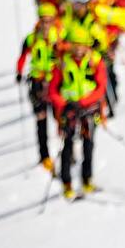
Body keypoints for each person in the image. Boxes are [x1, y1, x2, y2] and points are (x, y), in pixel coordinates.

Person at [48, 27, 108, 199]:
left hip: (88, 110)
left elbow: (101, 88)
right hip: (69, 112)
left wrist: (82, 102)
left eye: (82, 45)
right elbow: (53, 90)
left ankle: (87, 179)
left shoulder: (95, 62)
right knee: (67, 146)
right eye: (76, 45)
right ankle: (66, 182)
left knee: (88, 144)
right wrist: (64, 104)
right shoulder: (63, 64)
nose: (79, 49)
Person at [15, 2, 62, 172]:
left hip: (55, 83)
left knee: (60, 117)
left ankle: (65, 152)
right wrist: (19, 72)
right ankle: (44, 156)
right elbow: (22, 57)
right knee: (41, 119)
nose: (46, 24)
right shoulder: (32, 38)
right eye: (44, 20)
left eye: (49, 20)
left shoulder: (59, 37)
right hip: (37, 83)